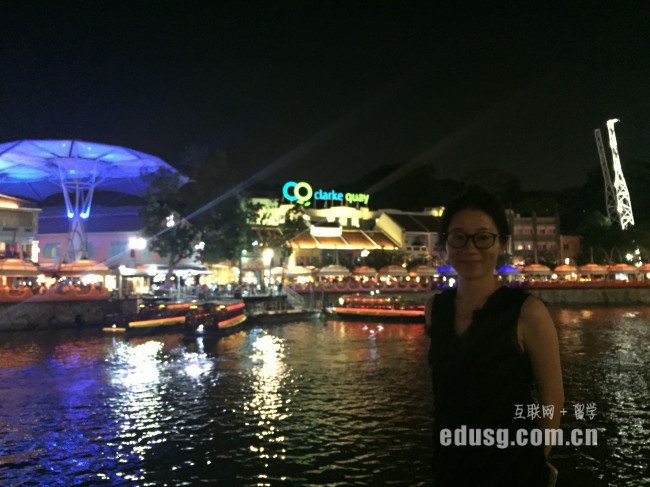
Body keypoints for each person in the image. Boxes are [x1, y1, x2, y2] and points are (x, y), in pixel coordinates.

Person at [425, 188, 563, 487]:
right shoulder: (436, 308)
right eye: (458, 237)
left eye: (483, 237)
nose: (470, 248)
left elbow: (552, 399)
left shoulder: (527, 312)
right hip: (450, 466)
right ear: (445, 243)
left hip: (513, 471)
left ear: (501, 243)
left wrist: (534, 457)